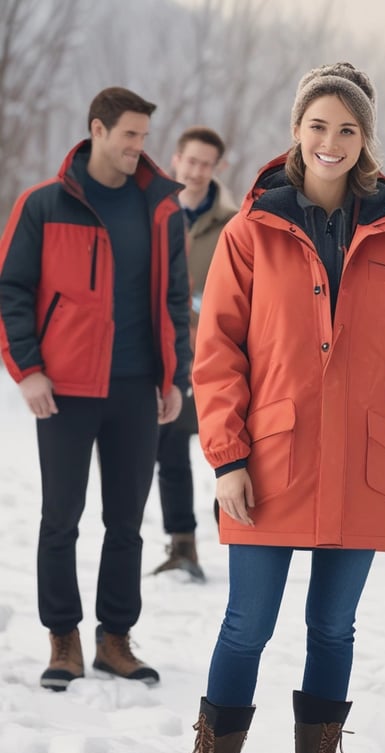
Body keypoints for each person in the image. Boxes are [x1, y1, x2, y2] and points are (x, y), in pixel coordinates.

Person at [162, 62, 385, 753]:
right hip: (269, 459)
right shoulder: (249, 232)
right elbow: (217, 352)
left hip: (364, 462)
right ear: (297, 131)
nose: (331, 141)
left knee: (334, 625)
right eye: (318, 125)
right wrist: (226, 457)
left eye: (347, 128)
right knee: (246, 624)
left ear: (365, 139)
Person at [0, 87, 191, 691]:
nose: (139, 148)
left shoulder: (161, 210)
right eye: (130, 135)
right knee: (61, 517)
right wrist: (26, 368)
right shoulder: (45, 203)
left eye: (145, 137)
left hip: (136, 387)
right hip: (65, 387)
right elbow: (12, 291)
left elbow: (175, 302)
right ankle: (63, 637)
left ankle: (114, 638)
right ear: (98, 130)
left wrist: (176, 377)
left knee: (127, 521)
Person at [152, 126, 238, 581]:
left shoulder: (232, 223)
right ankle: (182, 544)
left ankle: (239, 536)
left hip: (215, 350)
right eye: (191, 161)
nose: (197, 171)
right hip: (162, 349)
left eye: (207, 164)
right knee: (169, 448)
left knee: (225, 443)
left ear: (217, 168)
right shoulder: (151, 212)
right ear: (176, 159)